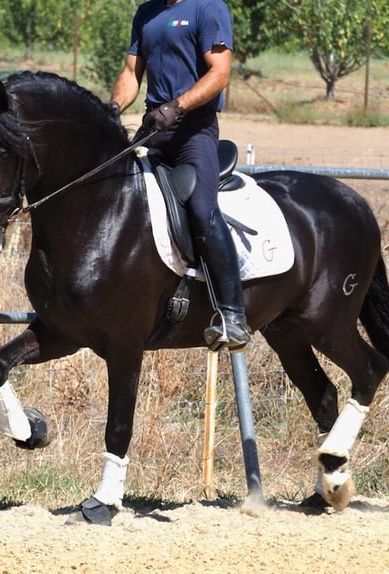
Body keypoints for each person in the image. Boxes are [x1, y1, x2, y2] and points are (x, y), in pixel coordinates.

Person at [109, 0, 251, 351]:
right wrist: (111, 109)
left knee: (202, 209)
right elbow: (131, 73)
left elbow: (219, 73)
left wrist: (177, 106)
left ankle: (233, 315)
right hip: (153, 127)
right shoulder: (147, 12)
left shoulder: (208, 8)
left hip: (193, 131)